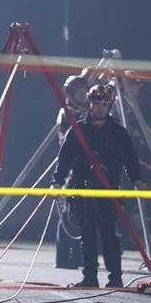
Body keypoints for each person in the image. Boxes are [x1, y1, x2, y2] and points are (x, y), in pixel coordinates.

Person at [51, 83, 145, 288]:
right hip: (82, 189)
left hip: (107, 190)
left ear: (109, 105)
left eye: (103, 104)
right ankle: (90, 277)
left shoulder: (118, 132)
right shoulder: (78, 130)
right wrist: (56, 182)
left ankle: (115, 277)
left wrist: (137, 179)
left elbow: (130, 158)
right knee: (88, 236)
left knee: (109, 236)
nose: (99, 108)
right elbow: (64, 158)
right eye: (95, 103)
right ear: (90, 104)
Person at [54, 74, 89, 269]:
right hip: (70, 165)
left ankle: (79, 256)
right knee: (68, 214)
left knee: (83, 213)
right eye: (78, 91)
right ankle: (64, 258)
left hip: (86, 166)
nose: (83, 94)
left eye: (84, 90)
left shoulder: (89, 110)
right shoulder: (66, 113)